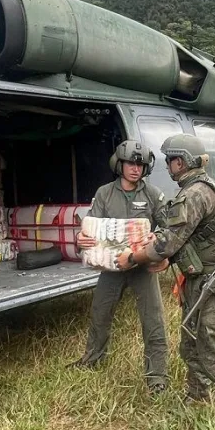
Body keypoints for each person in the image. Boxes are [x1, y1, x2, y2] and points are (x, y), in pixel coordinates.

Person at [115, 133, 215, 430]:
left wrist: (133, 256)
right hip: (197, 278)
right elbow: (180, 238)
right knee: (190, 344)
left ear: (184, 161)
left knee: (212, 352)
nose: (168, 165)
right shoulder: (200, 188)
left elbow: (167, 242)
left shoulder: (194, 194)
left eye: (171, 159)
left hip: (211, 283)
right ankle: (197, 398)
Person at [71, 139, 169, 395]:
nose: (135, 168)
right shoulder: (105, 193)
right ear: (120, 164)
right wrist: (80, 239)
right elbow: (91, 228)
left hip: (142, 266)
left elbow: (169, 227)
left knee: (153, 320)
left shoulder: (153, 194)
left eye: (140, 164)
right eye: (130, 163)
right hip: (112, 266)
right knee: (100, 313)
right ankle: (93, 359)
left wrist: (156, 238)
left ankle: (156, 376)